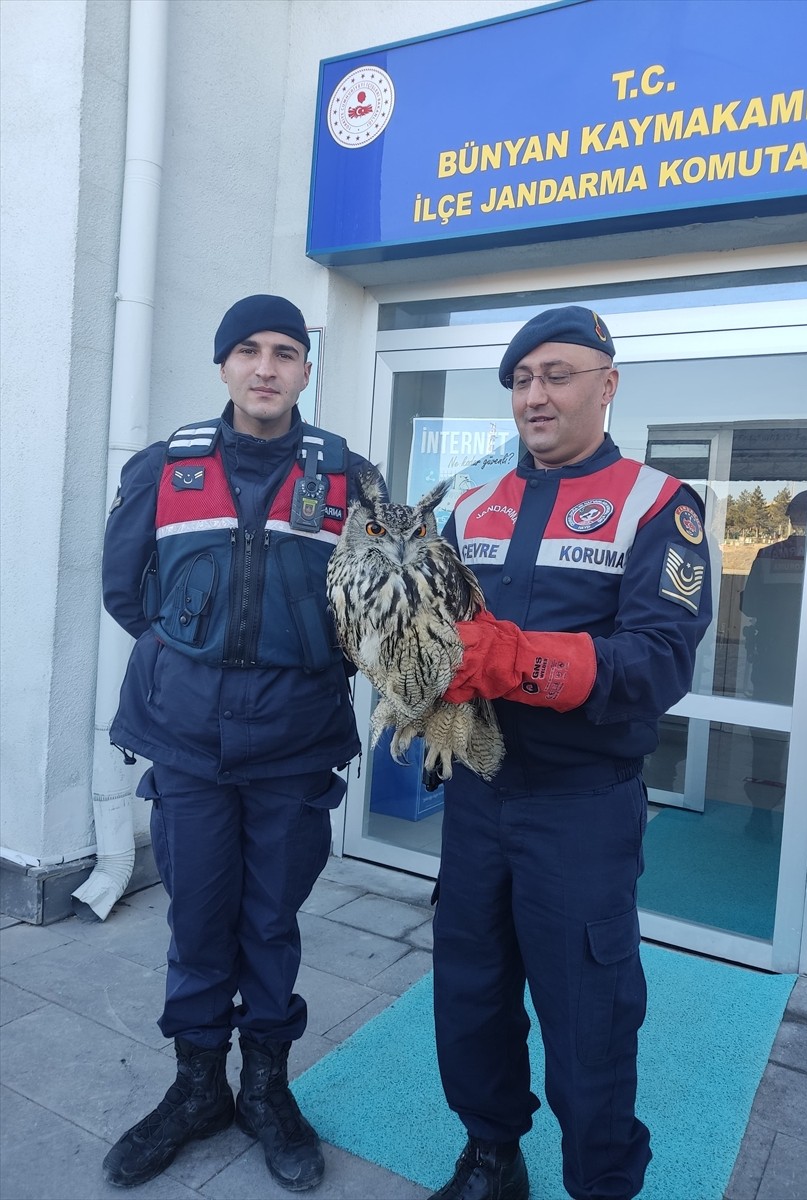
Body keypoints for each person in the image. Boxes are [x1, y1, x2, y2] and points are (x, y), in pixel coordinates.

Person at [429, 306, 713, 1200]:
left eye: (557, 375)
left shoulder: (656, 504)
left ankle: (601, 1183)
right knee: (469, 992)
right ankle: (491, 1156)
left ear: (607, 384)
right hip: (477, 797)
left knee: (590, 1017)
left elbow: (658, 661)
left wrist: (515, 660)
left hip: (581, 808)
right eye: (521, 380)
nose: (536, 395)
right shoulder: (468, 501)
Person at [101, 294, 383, 1192]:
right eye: (250, 350)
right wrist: (201, 662)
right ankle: (197, 1090)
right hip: (187, 745)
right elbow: (126, 593)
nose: (266, 367)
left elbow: (377, 608)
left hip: (295, 747)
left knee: (269, 921)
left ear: (306, 370)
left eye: (286, 352)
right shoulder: (163, 467)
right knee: (197, 919)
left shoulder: (351, 480)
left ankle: (265, 1089)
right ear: (224, 364)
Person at [738, 489, 807, 839]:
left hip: (773, 659)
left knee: (767, 740)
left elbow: (750, 605)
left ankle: (761, 814)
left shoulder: (768, 555)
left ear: (792, 518)